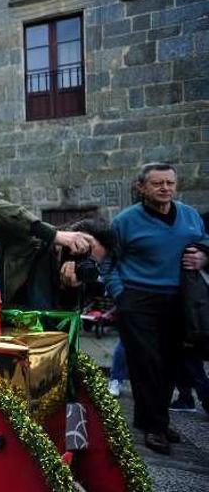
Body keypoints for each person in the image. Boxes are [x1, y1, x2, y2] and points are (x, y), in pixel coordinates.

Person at [105, 162, 209, 455]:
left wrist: (202, 255)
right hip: (138, 300)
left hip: (180, 300)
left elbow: (204, 243)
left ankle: (150, 419)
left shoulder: (189, 215)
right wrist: (119, 294)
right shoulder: (125, 221)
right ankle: (156, 428)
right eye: (157, 183)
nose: (165, 188)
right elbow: (109, 262)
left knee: (172, 364)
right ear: (142, 188)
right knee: (147, 364)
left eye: (170, 183)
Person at [0, 197, 113, 310]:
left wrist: (70, 290)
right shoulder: (32, 240)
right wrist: (53, 235)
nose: (83, 262)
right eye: (83, 253)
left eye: (91, 262)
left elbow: (62, 331)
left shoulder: (77, 279)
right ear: (71, 237)